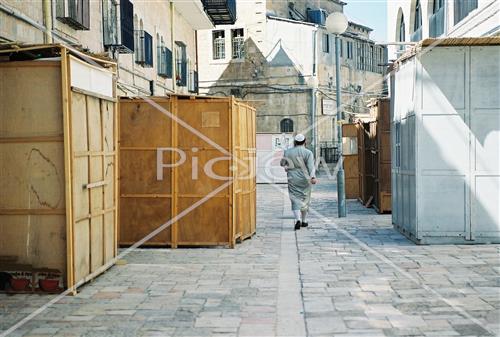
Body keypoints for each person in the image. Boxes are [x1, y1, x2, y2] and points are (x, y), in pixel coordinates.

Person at [280, 133, 317, 230]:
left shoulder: (287, 152)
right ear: (305, 141)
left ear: (295, 142)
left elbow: (282, 163)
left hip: (292, 178)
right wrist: (312, 177)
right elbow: (310, 166)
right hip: (305, 178)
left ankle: (297, 219)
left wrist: (286, 167)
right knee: (305, 197)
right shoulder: (308, 153)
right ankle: (304, 221)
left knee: (295, 198)